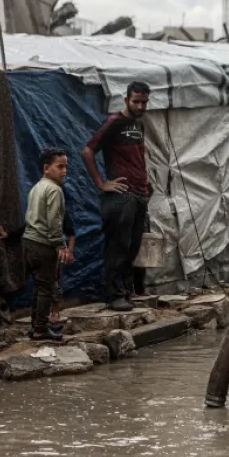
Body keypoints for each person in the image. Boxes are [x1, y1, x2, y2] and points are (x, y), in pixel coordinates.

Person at [82, 81, 152, 312]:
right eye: (136, 102)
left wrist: (146, 182)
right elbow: (88, 151)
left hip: (140, 193)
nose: (140, 106)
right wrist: (102, 183)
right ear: (126, 100)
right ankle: (114, 295)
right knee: (118, 246)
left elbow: (137, 158)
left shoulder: (138, 124)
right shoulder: (115, 122)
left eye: (144, 102)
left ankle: (126, 290)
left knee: (133, 247)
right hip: (122, 196)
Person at [0, 148, 72, 340]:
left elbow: (31, 219)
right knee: (46, 288)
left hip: (29, 243)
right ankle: (40, 329)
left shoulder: (37, 187)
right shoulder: (54, 190)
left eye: (66, 167)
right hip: (44, 245)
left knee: (40, 287)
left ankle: (37, 326)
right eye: (60, 166)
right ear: (47, 168)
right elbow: (54, 220)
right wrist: (60, 245)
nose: (64, 171)